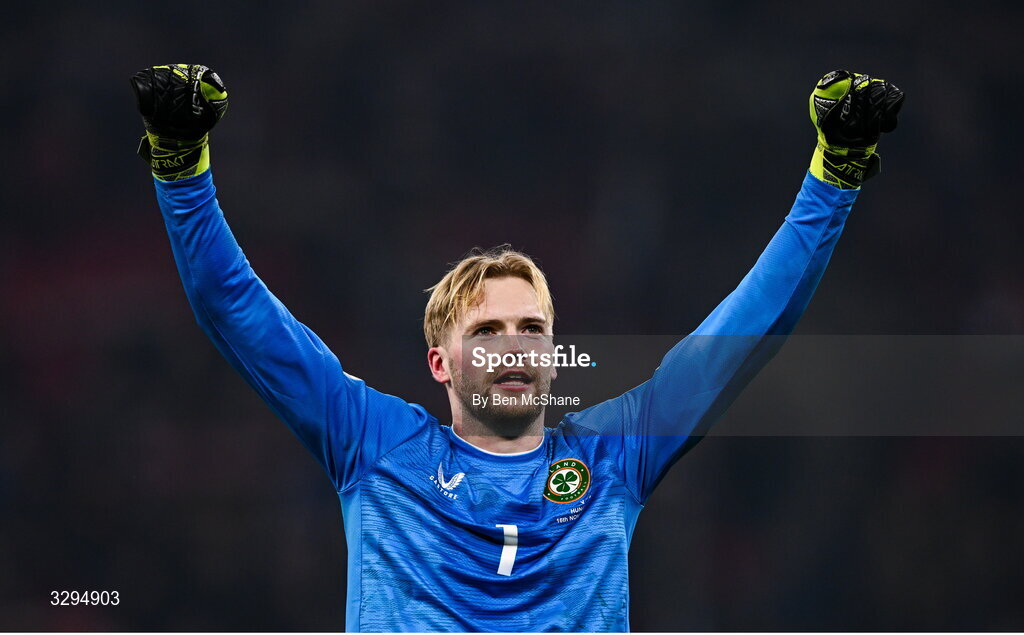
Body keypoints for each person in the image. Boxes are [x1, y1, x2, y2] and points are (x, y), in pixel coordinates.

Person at [131, 63, 903, 631]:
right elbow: (233, 308)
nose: (513, 348)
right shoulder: (372, 442)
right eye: (487, 331)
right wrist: (181, 166)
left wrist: (831, 178)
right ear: (441, 362)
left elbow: (745, 333)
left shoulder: (614, 454)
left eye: (531, 329)